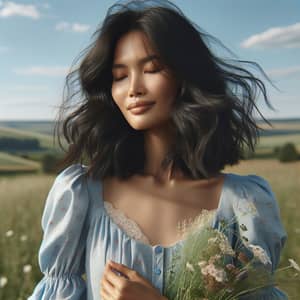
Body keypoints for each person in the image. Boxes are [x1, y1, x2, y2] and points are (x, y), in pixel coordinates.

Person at [28, 0, 288, 299]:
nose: (134, 88)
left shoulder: (243, 205)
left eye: (151, 69)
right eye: (120, 76)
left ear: (185, 77)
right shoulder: (80, 194)